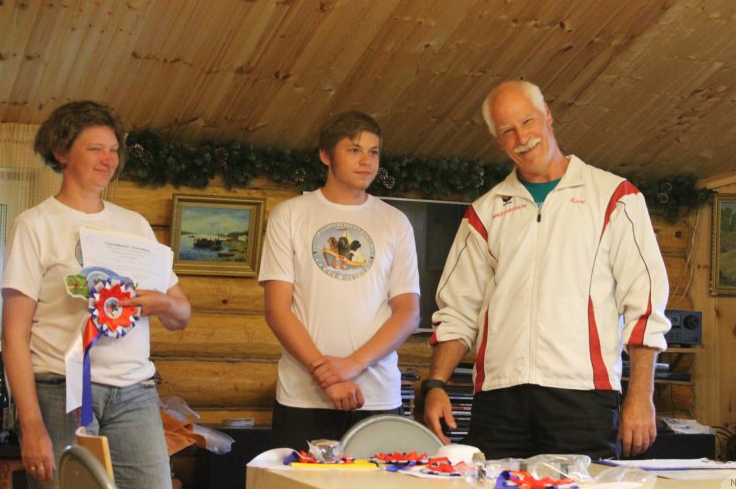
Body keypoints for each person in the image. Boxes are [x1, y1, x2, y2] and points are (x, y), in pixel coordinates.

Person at [423, 80, 671, 460]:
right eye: (508, 130)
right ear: (498, 140)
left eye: (528, 121)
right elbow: (457, 311)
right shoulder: (484, 213)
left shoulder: (615, 197)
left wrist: (641, 395)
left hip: (582, 398)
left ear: (548, 116)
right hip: (498, 401)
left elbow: (645, 304)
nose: (522, 138)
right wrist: (436, 384)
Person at [1, 101, 191, 488]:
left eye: (114, 150)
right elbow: (13, 335)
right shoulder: (34, 225)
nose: (109, 160)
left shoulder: (135, 224)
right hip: (60, 390)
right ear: (61, 152)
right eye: (95, 149)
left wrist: (163, 303)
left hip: (135, 392)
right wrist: (31, 425)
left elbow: (181, 315)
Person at [259, 111, 420, 450]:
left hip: (376, 395)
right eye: (354, 150)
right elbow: (277, 310)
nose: (366, 161)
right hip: (304, 397)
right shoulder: (290, 214)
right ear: (325, 155)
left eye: (373, 152)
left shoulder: (395, 222)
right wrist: (329, 377)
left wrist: (353, 365)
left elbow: (408, 312)